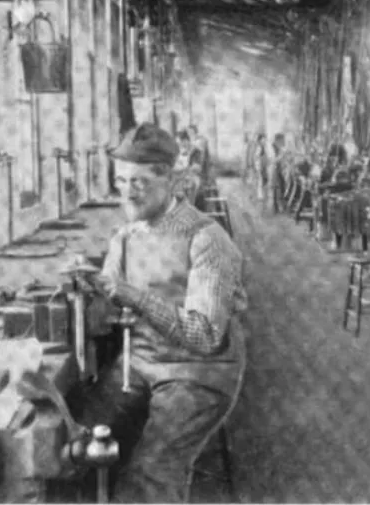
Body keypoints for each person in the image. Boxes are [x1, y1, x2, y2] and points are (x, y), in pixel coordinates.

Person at [79, 123, 247, 503]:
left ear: (171, 180)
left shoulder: (207, 239)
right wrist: (88, 295)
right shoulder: (125, 237)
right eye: (121, 181)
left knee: (150, 475)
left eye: (138, 182)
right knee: (77, 443)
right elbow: (108, 310)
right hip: (140, 363)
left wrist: (130, 295)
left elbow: (203, 335)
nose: (127, 192)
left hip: (198, 373)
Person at [269, 133, 286, 213]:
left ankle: (278, 207)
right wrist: (281, 156)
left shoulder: (278, 148)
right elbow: (273, 160)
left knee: (279, 188)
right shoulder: (272, 148)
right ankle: (276, 208)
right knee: (277, 189)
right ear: (278, 140)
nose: (283, 142)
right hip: (275, 171)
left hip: (278, 170)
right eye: (282, 140)